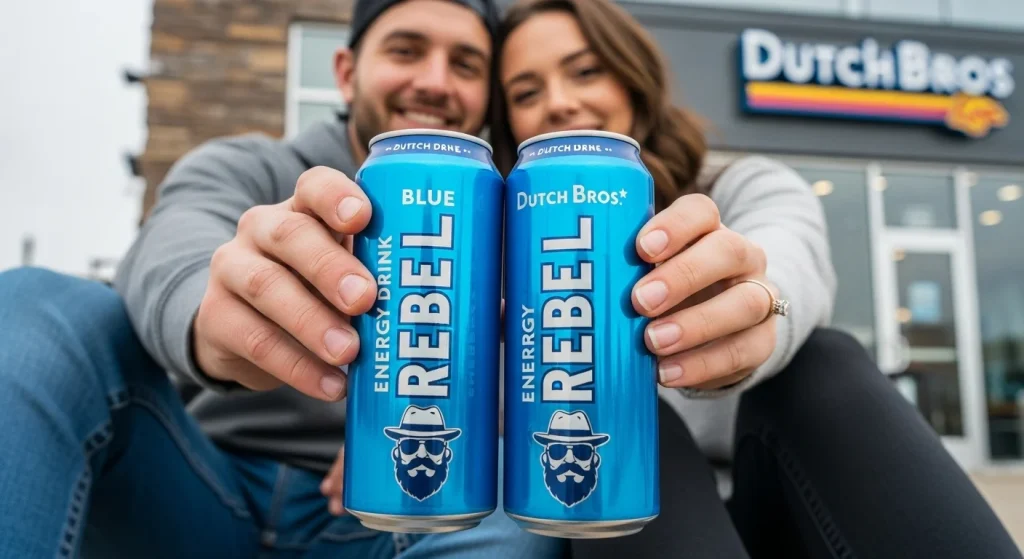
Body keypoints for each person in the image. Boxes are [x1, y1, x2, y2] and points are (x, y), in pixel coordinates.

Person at [0, 1, 570, 557]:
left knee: (518, 493)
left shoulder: (523, 221)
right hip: (198, 486)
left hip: (402, 514)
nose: (435, 81)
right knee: (37, 303)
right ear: (346, 74)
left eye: (466, 65)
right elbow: (173, 242)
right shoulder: (248, 165)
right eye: (406, 50)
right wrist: (215, 314)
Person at [480, 0, 1022, 557]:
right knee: (636, 412)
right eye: (526, 92)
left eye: (585, 70)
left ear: (632, 76)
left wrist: (752, 306)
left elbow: (790, 255)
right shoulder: (488, 237)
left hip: (784, 501)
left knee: (824, 357)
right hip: (628, 523)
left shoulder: (741, 184)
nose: (561, 102)